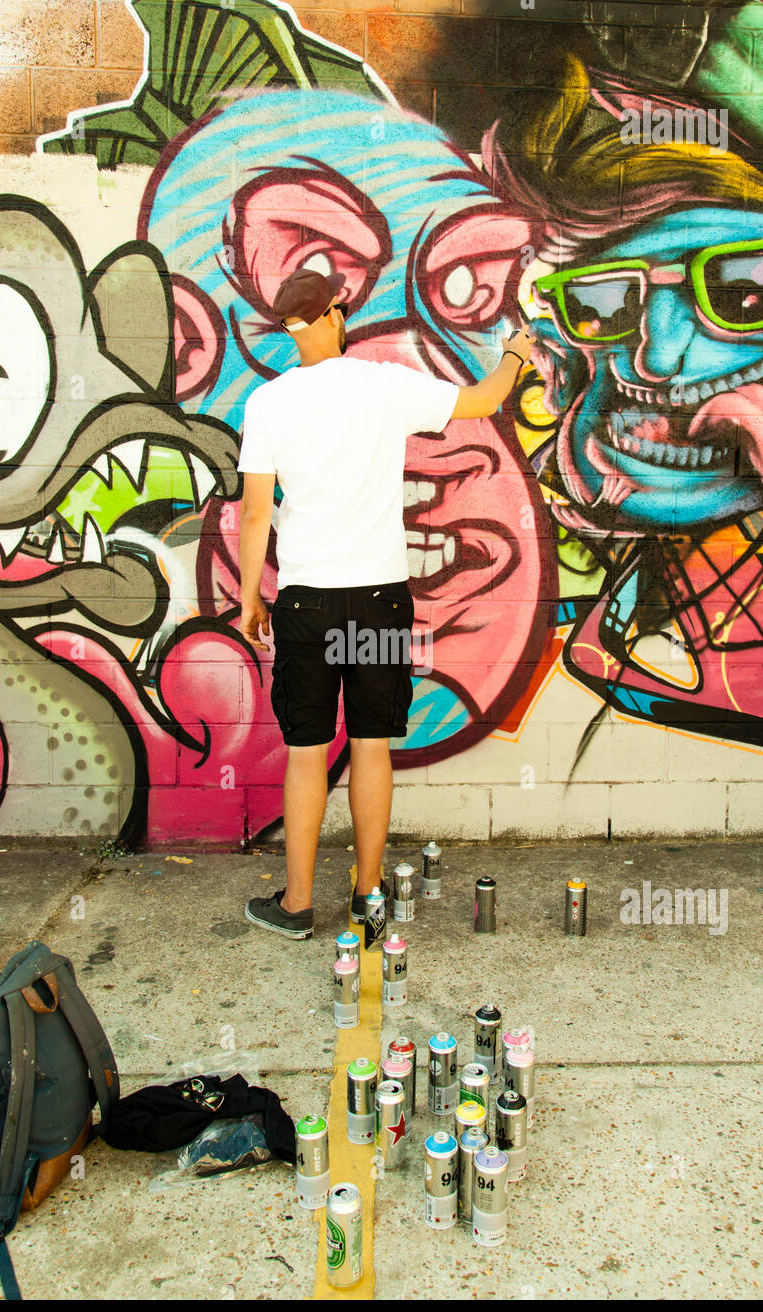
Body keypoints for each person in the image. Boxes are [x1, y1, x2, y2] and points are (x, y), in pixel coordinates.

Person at [237, 265, 535, 938]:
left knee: (307, 749)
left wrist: (247, 596)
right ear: (335, 314)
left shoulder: (268, 403)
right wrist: (515, 353)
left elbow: (257, 514)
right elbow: (484, 401)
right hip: (375, 601)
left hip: (306, 602)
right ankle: (367, 899)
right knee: (372, 744)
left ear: (289, 329)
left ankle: (295, 906)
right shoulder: (382, 385)